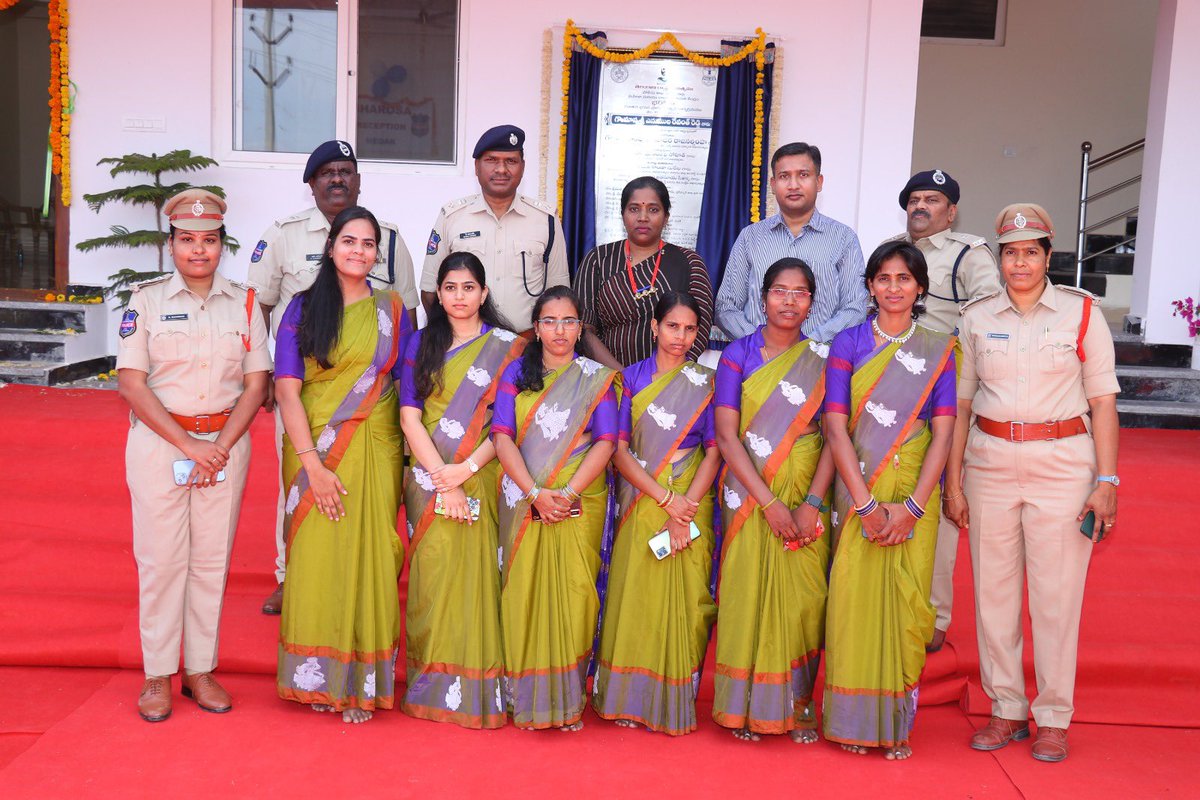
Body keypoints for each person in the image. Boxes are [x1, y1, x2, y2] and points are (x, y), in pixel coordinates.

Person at [944, 204, 1119, 763]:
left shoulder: (1083, 314)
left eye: (1032, 251)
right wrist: (953, 480)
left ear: (1048, 256)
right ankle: (1005, 708)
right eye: (1011, 252)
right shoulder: (975, 317)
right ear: (1000, 259)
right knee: (993, 594)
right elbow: (962, 404)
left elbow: (1104, 403)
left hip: (1063, 463)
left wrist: (1107, 479)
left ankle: (1052, 716)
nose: (1021, 262)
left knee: (1056, 596)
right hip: (990, 463)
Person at [116, 189, 272, 722]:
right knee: (161, 562)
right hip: (162, 445)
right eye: (187, 240)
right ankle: (157, 675)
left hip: (225, 447)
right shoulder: (146, 301)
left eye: (209, 241)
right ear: (172, 244)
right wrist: (190, 447)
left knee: (211, 562)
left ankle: (199, 670)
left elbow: (255, 385)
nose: (198, 250)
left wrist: (220, 447)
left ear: (221, 245)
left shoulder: (246, 302)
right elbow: (133, 385)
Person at [247, 139, 418, 616]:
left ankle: (365, 645)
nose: (359, 250)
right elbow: (259, 307)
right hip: (309, 414)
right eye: (328, 171)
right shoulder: (287, 249)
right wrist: (258, 378)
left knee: (374, 534)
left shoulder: (394, 247)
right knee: (302, 503)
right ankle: (292, 579)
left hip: (376, 431)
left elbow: (408, 338)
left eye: (347, 171)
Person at [273, 206, 411, 725]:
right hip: (313, 447)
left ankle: (360, 682)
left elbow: (406, 379)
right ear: (331, 246)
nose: (359, 251)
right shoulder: (303, 309)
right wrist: (313, 464)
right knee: (318, 555)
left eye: (368, 243)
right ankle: (317, 676)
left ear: (377, 253)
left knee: (373, 553)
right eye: (349, 241)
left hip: (375, 446)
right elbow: (287, 390)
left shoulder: (391, 308)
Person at [821, 240, 957, 760]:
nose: (893, 287)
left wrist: (915, 507)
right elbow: (835, 426)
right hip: (859, 493)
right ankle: (853, 721)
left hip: (913, 496)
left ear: (920, 287)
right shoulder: (848, 344)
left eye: (904, 278)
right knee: (852, 603)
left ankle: (896, 724)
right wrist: (865, 505)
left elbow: (942, 434)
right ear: (871, 285)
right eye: (883, 278)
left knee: (905, 607)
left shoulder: (939, 348)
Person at [398, 252, 525, 729]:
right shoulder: (419, 344)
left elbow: (506, 425)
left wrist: (466, 468)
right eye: (449, 288)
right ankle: (430, 680)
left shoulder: (508, 349)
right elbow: (409, 416)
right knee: (433, 575)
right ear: (438, 294)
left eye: (468, 288)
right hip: (429, 477)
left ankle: (479, 685)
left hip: (483, 473)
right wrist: (441, 476)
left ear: (484, 293)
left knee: (479, 578)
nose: (458, 297)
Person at [712, 257, 834, 743]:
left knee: (804, 598)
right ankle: (742, 705)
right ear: (762, 298)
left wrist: (811, 503)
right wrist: (767, 502)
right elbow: (725, 435)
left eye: (800, 292)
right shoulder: (737, 355)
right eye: (779, 291)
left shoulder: (825, 360)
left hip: (806, 487)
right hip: (748, 491)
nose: (789, 301)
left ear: (811, 301)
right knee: (745, 593)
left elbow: (833, 438)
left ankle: (795, 704)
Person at [592, 292, 721, 735]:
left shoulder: (708, 382)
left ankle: (671, 698)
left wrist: (683, 511)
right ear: (654, 327)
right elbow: (618, 452)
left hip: (691, 499)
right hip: (641, 500)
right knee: (635, 593)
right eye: (672, 327)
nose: (680, 337)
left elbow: (714, 450)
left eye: (689, 329)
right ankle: (626, 697)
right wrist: (666, 502)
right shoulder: (626, 380)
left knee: (685, 599)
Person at [883, 169, 1001, 652]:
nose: (921, 207)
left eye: (932, 200)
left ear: (951, 211)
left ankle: (934, 614)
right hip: (886, 393)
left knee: (939, 496)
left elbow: (988, 316)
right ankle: (883, 597)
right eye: (914, 199)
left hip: (942, 392)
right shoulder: (891, 249)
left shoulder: (968, 254)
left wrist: (940, 355)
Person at [491, 286, 618, 730]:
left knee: (575, 594)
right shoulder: (515, 374)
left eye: (569, 321)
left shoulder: (596, 378)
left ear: (581, 327)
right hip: (524, 499)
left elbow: (607, 442)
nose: (560, 330)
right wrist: (533, 494)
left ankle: (564, 699)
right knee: (522, 590)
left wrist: (566, 495)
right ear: (537, 327)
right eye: (550, 321)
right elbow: (501, 435)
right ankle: (524, 694)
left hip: (576, 502)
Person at [420, 125, 569, 333]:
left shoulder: (546, 220)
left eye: (511, 161)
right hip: (467, 346)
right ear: (476, 167)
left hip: (525, 347)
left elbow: (559, 296)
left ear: (523, 167)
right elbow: (429, 292)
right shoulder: (451, 217)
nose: (501, 169)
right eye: (491, 160)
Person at [714, 142, 867, 343]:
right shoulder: (750, 237)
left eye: (803, 175)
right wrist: (760, 344)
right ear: (773, 184)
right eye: (784, 176)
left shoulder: (843, 238)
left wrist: (809, 346)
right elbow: (726, 306)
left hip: (819, 364)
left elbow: (855, 308)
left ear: (819, 182)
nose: (793, 185)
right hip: (757, 363)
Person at [574, 177, 714, 368]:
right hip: (608, 381)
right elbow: (583, 329)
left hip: (670, 384)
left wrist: (666, 378)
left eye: (653, 209)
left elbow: (701, 327)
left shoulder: (689, 262)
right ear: (622, 214)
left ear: (666, 217)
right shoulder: (598, 260)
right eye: (634, 209)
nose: (643, 217)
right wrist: (623, 378)